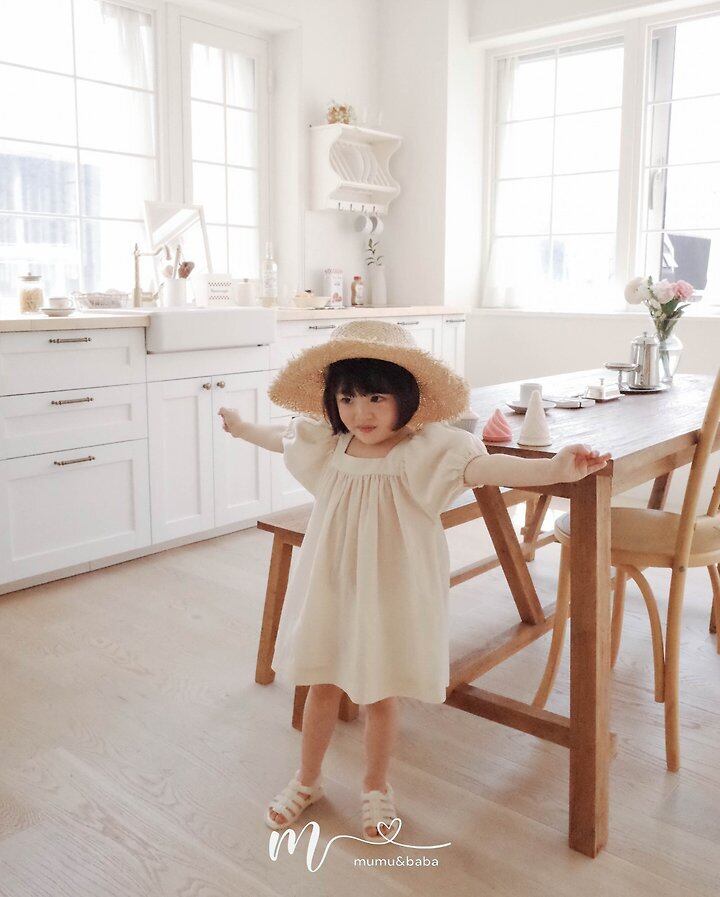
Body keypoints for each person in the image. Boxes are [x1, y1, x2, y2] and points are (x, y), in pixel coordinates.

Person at [217, 320, 609, 843]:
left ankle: (376, 786)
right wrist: (242, 427)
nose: (360, 412)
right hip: (332, 583)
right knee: (322, 682)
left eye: (376, 397)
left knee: (380, 692)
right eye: (348, 398)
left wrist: (554, 468)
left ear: (405, 396)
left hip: (392, 590)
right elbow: (280, 438)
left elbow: (490, 469)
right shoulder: (329, 445)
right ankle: (306, 780)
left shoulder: (427, 452)